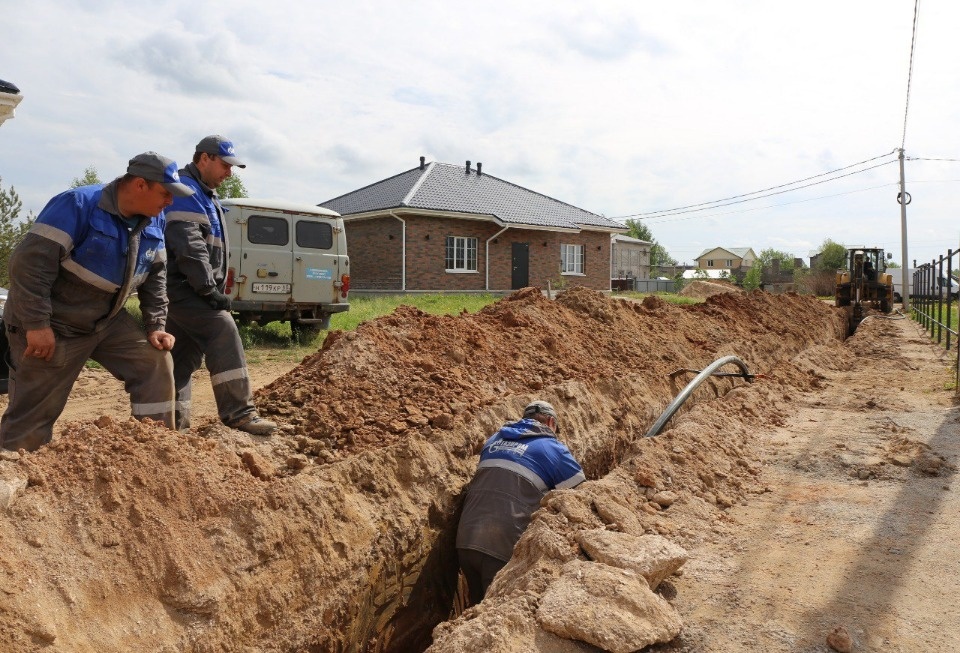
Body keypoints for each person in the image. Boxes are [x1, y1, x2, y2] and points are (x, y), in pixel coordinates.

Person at [0, 152, 189, 452]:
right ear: (140, 185)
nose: (170, 202)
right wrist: (36, 324)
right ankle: (15, 476)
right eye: (165, 193)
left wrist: (156, 325)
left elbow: (156, 274)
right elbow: (28, 266)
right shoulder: (78, 204)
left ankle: (155, 453)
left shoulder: (155, 219)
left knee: (154, 360)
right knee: (30, 422)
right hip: (54, 322)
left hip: (107, 321)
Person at [163, 135, 276, 436]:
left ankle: (171, 427)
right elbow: (190, 247)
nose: (229, 173)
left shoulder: (205, 194)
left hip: (183, 289)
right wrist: (207, 290)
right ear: (204, 159)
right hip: (184, 289)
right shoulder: (186, 192)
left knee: (180, 361)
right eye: (225, 165)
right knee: (222, 330)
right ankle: (239, 413)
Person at [456, 400, 586, 605]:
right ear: (551, 422)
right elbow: (582, 496)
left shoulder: (493, 440)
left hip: (466, 540)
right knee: (495, 612)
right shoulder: (552, 448)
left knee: (476, 609)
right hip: (502, 544)